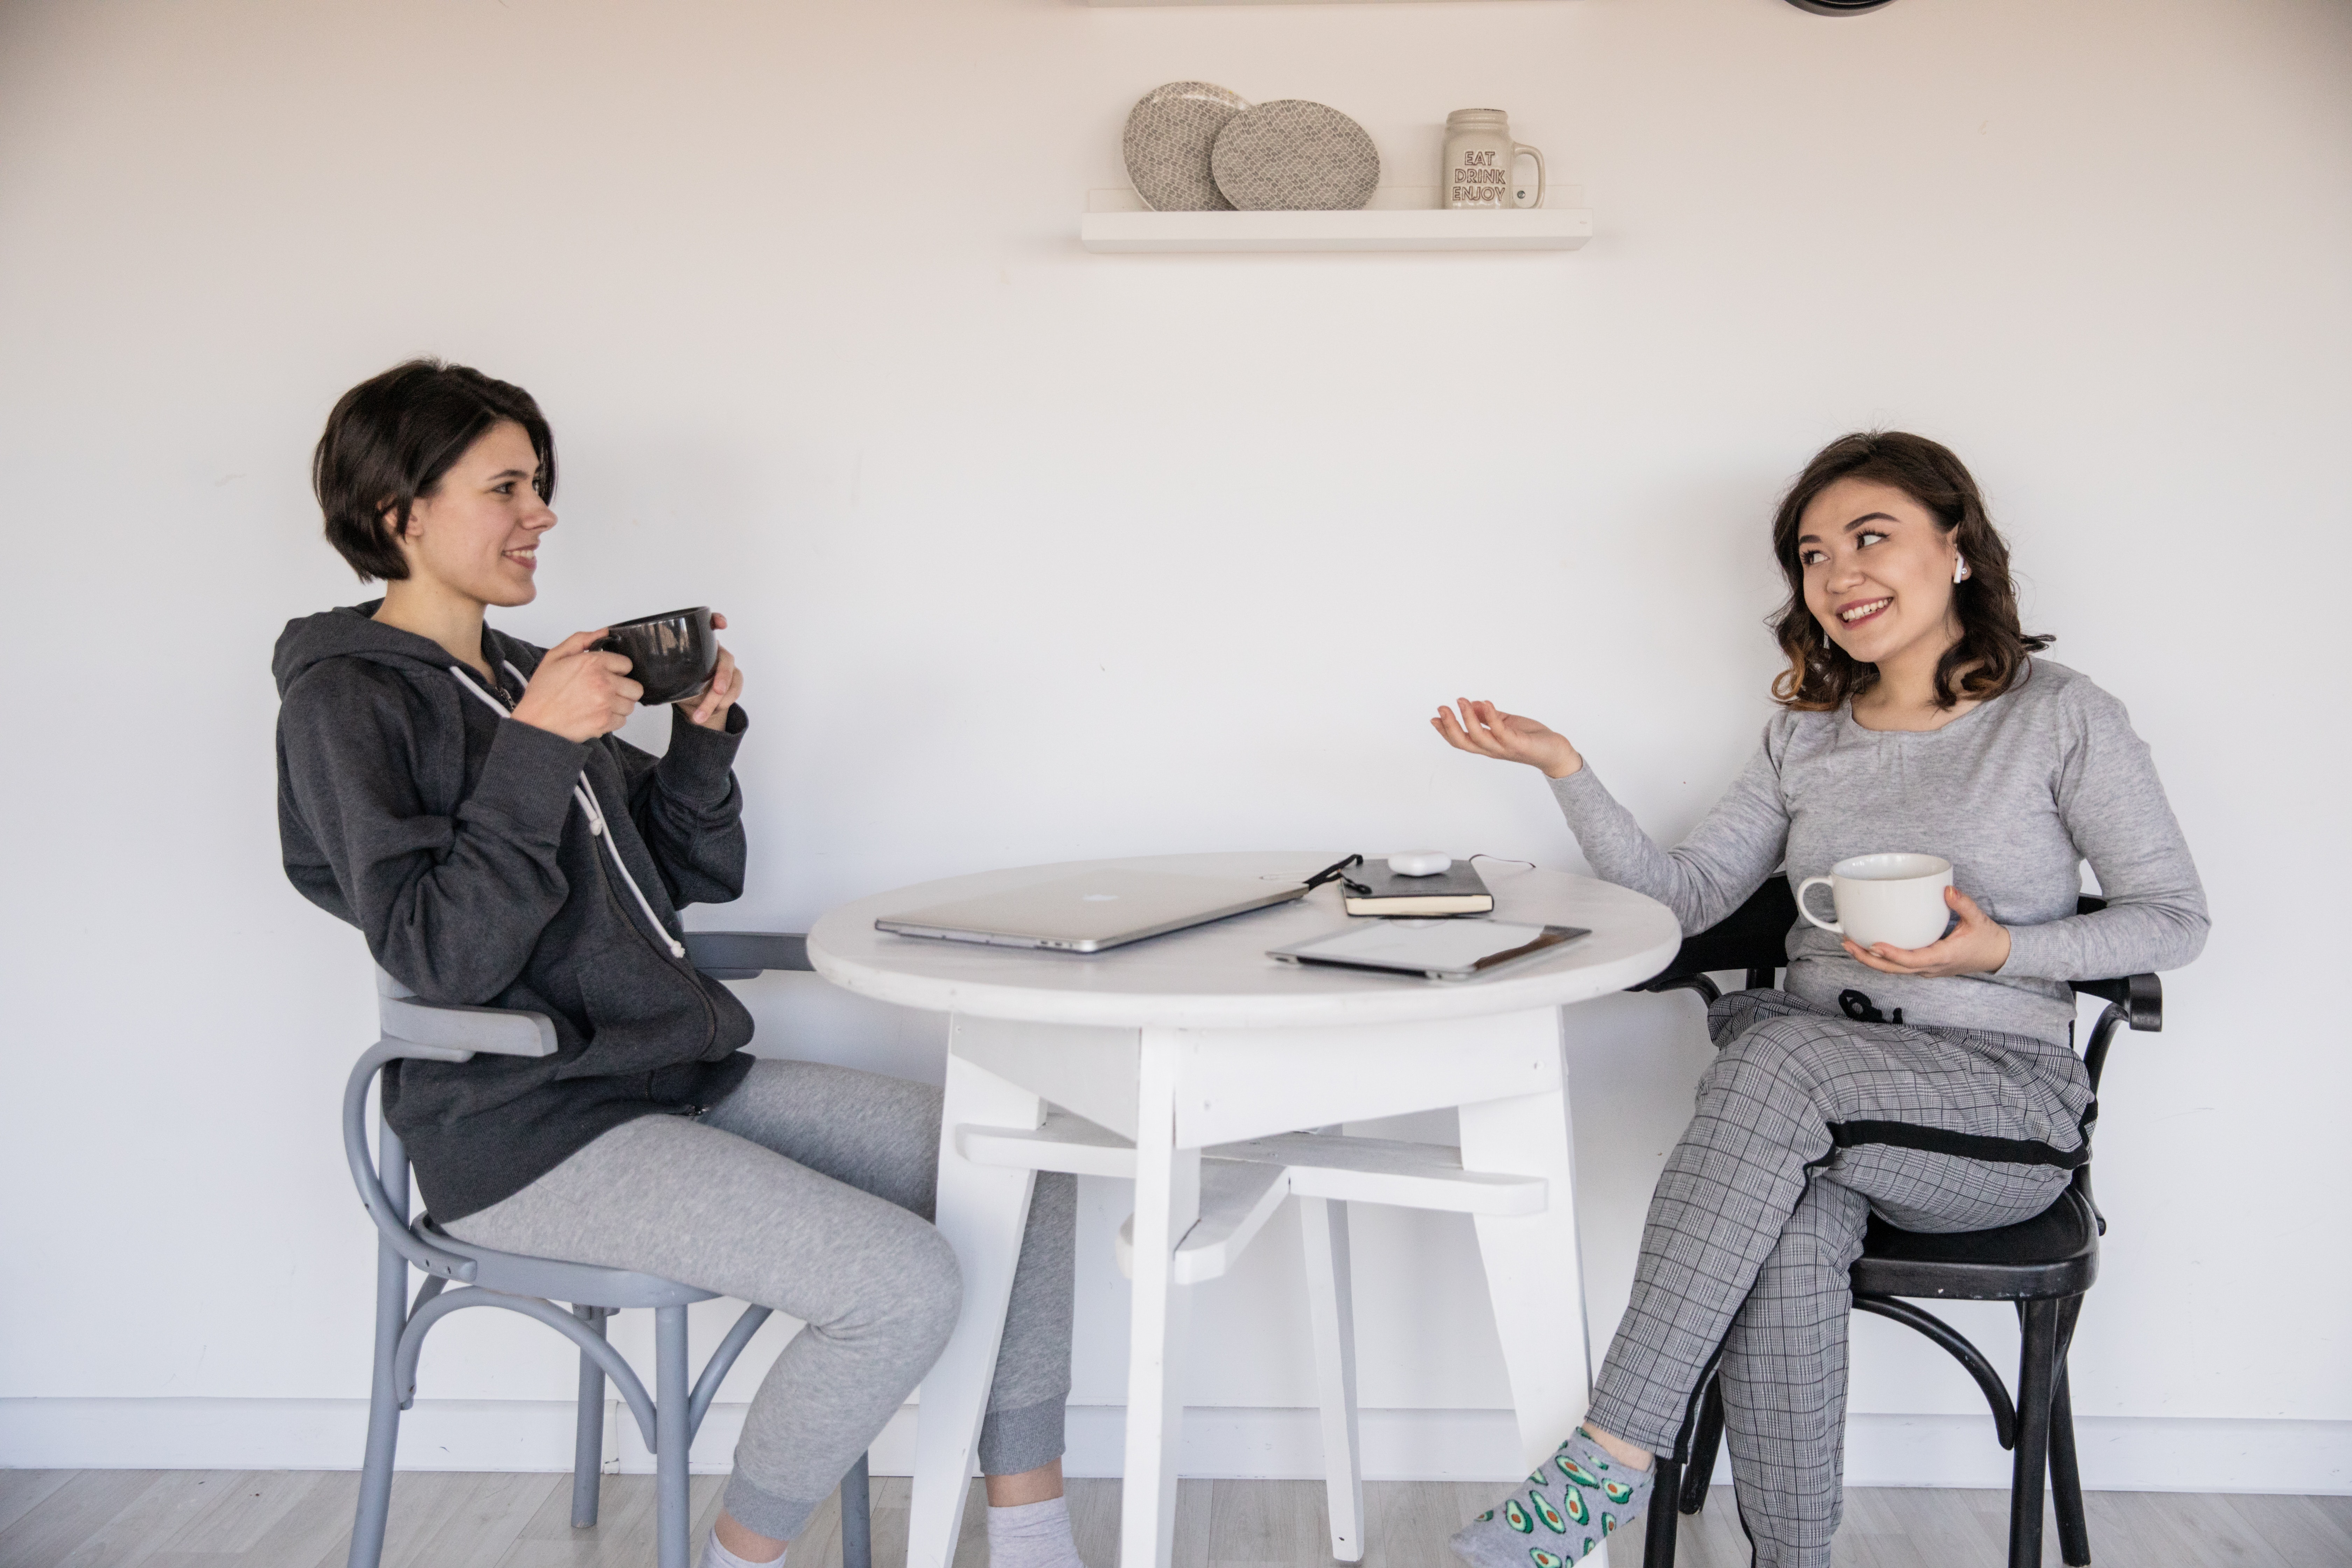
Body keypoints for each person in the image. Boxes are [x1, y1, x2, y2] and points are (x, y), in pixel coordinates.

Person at [274, 360, 1086, 1568]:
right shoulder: (346, 703)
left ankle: (1030, 1534)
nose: (542, 512)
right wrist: (539, 745)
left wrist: (696, 743)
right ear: (402, 513)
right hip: (525, 1129)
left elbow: (682, 874)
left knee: (1027, 1168)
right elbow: (438, 955)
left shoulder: (526, 674)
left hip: (670, 1082)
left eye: (539, 484)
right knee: (901, 1284)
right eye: (506, 488)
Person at [1431, 432, 2207, 1568]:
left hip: (1998, 1111)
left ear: (1957, 546)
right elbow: (1687, 899)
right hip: (1807, 1114)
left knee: (1775, 1060)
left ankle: (1606, 1461)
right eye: (1813, 554)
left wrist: (1999, 951)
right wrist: (1566, 771)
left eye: (1870, 537)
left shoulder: (2061, 716)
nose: (1840, 574)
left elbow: (2174, 920)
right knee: (1788, 1221)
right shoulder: (1805, 734)